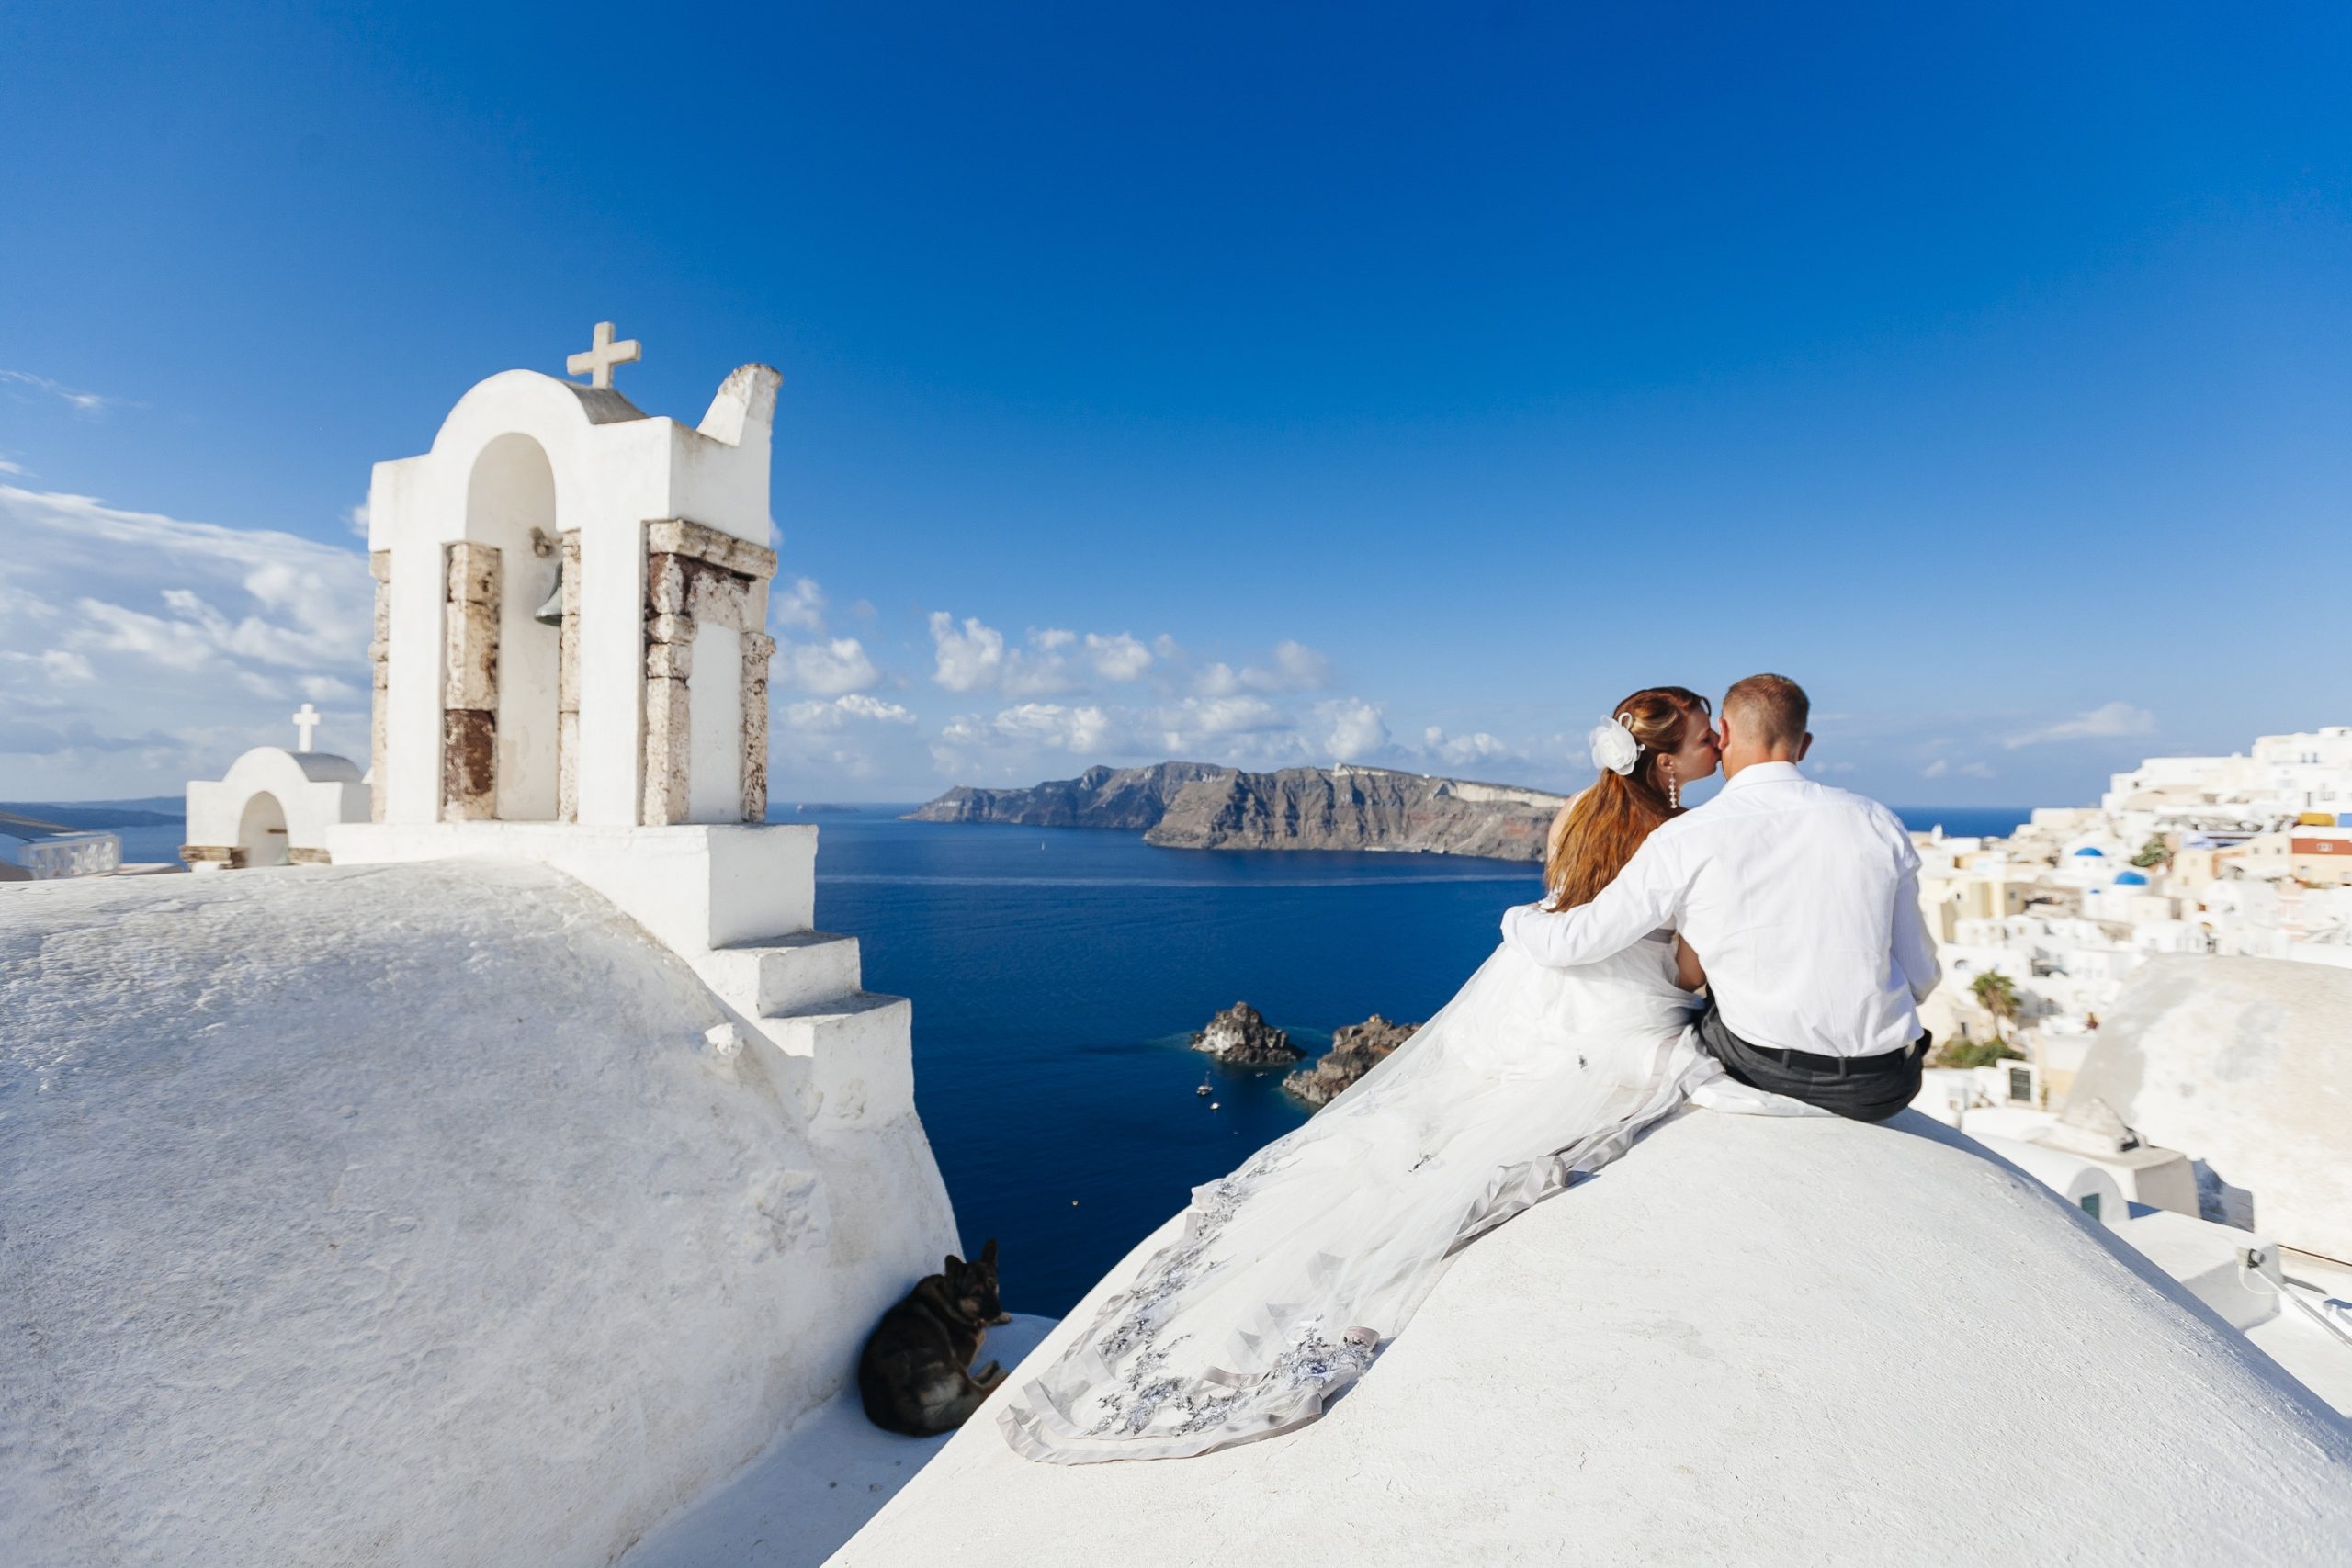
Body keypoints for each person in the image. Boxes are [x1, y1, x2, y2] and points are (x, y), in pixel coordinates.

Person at [1000, 686, 1738, 1464]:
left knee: (1433, 1132)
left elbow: (1564, 909)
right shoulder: (1680, 837)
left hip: (1524, 1005)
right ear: (1664, 763)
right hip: (1605, 1019)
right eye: (1702, 741)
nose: (1715, 749)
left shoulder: (1575, 819)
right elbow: (1688, 970)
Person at [1502, 673, 1939, 1122]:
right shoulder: (1877, 821)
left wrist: (1516, 919)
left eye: (1715, 734)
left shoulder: (1687, 837)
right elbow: (1922, 977)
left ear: (1727, 733)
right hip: (1885, 1086)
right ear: (1804, 744)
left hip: (1765, 1071)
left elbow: (1585, 943)